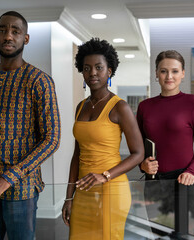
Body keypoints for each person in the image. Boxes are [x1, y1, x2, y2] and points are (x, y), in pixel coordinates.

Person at [0, 11, 61, 240]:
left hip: (21, 189)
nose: (8, 36)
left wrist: (8, 178)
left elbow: (52, 139)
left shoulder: (39, 80)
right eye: (3, 30)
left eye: (15, 31)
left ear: (25, 38)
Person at [61, 38, 144, 240]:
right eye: (87, 68)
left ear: (110, 71)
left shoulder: (120, 107)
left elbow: (138, 154)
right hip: (82, 191)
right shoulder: (81, 106)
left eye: (99, 67)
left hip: (111, 188)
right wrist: (68, 196)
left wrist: (105, 175)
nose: (93, 73)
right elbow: (77, 155)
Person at [136, 50, 194, 225]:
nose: (169, 76)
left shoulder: (193, 104)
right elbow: (138, 147)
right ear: (156, 73)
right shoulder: (144, 107)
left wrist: (192, 172)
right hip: (154, 183)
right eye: (163, 71)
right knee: (160, 235)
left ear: (183, 73)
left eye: (175, 71)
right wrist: (142, 165)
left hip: (185, 182)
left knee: (184, 236)